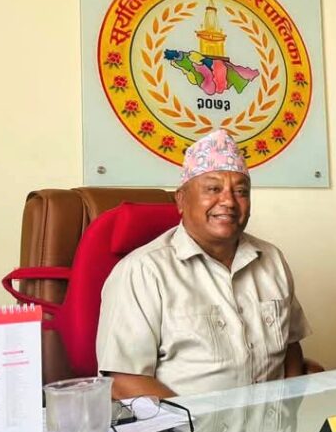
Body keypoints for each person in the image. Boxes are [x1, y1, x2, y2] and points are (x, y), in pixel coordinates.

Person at [96, 129, 312, 399]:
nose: (229, 201)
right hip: (187, 425)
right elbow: (123, 381)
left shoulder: (272, 260)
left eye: (241, 191)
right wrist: (194, 422)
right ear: (181, 200)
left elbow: (290, 348)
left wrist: (291, 406)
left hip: (273, 423)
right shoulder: (143, 271)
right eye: (213, 189)